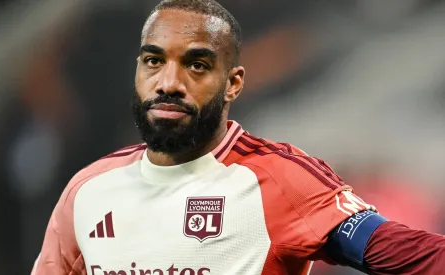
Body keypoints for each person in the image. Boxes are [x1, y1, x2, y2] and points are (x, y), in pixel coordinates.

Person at [31, 0, 445, 274]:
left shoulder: (277, 178)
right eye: (155, 63)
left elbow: (394, 249)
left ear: (232, 83)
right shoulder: (89, 190)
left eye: (196, 66)